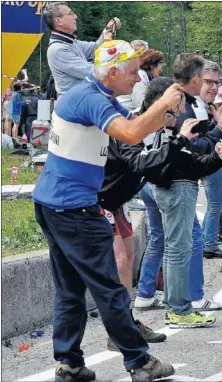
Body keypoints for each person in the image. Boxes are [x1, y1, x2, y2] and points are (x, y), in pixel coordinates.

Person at [32, 40, 179, 382]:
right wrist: (164, 105)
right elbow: (130, 134)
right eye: (132, 71)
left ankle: (69, 364)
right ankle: (139, 361)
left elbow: (139, 125)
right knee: (109, 288)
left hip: (54, 203)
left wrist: (166, 113)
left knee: (70, 290)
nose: (137, 77)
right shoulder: (92, 100)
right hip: (74, 208)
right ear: (112, 72)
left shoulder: (93, 94)